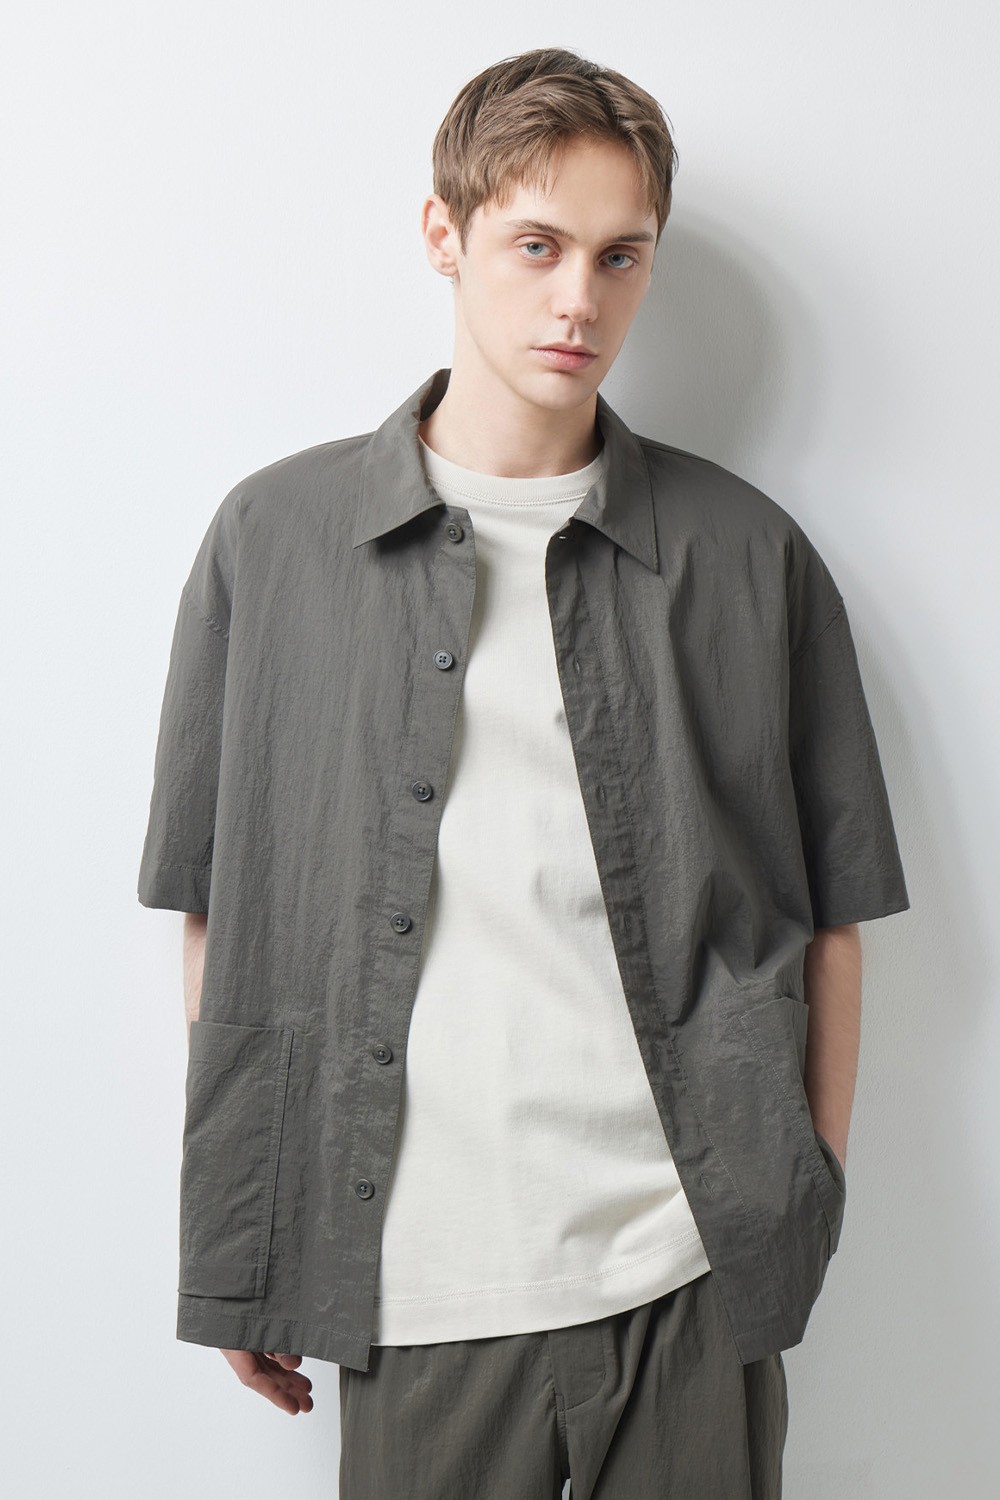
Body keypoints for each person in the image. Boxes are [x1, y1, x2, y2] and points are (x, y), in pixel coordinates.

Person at [138, 46, 909, 1500]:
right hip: (415, 1281)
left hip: (690, 1270)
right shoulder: (276, 541)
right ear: (445, 232)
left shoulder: (746, 555)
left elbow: (831, 917)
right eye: (538, 246)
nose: (579, 304)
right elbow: (220, 913)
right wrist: (252, 1235)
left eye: (622, 257)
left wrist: (796, 1199)